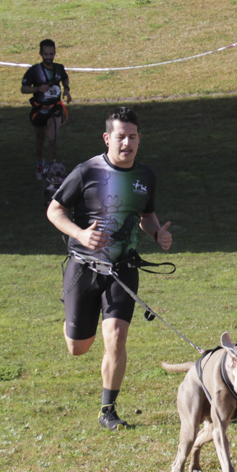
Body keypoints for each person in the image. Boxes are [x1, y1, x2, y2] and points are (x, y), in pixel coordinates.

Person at [46, 107, 173, 430]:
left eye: (132, 137)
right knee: (79, 347)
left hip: (124, 269)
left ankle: (108, 411)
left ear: (139, 139)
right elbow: (55, 210)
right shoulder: (86, 172)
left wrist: (158, 233)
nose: (126, 143)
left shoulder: (145, 176)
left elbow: (146, 215)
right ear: (107, 138)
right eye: (120, 137)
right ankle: (73, 317)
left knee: (116, 337)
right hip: (84, 268)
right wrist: (80, 234)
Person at [21, 38, 72, 180]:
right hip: (39, 110)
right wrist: (37, 88)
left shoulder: (59, 68)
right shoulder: (34, 71)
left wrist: (66, 90)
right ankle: (39, 162)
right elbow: (23, 89)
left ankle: (52, 165)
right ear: (41, 54)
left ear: (55, 53)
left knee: (52, 138)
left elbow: (65, 78)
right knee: (40, 139)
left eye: (51, 54)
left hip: (55, 108)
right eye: (46, 54)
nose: (49, 58)